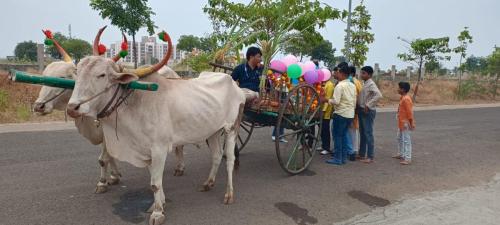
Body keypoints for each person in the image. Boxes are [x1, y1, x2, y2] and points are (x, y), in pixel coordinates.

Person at [326, 64, 356, 165]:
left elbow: (336, 101)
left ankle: (338, 158)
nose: (336, 73)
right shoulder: (352, 85)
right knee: (343, 136)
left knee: (338, 136)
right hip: (349, 114)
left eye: (338, 72)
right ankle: (343, 158)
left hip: (340, 114)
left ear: (342, 74)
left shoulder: (340, 85)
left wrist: (326, 100)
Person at [357, 66, 382, 163]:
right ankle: (362, 154)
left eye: (364, 73)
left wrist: (368, 105)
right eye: (361, 73)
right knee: (362, 133)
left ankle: (370, 156)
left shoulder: (371, 83)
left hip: (367, 111)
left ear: (369, 75)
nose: (361, 75)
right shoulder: (365, 83)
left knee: (368, 133)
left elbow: (379, 95)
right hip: (362, 110)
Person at [393, 82, 415, 165]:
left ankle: (408, 158)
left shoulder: (406, 99)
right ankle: (401, 154)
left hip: (405, 123)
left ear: (403, 89)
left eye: (399, 88)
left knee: (406, 140)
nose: (398, 89)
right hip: (401, 122)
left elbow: (410, 112)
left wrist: (411, 123)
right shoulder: (403, 97)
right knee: (399, 138)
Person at [318, 67, 336, 155]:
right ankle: (323, 145)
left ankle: (327, 147)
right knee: (321, 129)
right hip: (320, 109)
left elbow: (327, 99)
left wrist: (323, 111)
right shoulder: (323, 84)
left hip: (326, 111)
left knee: (325, 129)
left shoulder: (330, 85)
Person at [347, 66, 363, 161]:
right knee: (352, 129)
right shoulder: (357, 82)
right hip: (353, 109)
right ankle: (353, 149)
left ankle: (354, 150)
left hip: (353, 109)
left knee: (353, 129)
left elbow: (358, 97)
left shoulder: (354, 82)